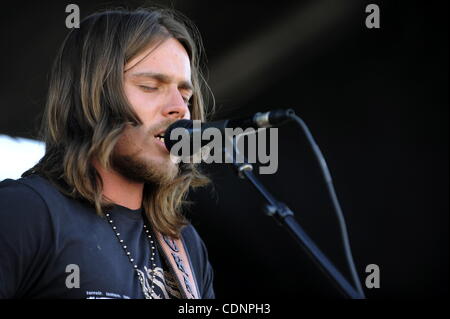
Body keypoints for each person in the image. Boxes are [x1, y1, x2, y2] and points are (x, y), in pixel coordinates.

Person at [0, 7, 215, 299]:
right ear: (93, 96)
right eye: (151, 86)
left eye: (186, 96)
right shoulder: (25, 211)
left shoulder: (185, 245)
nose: (180, 108)